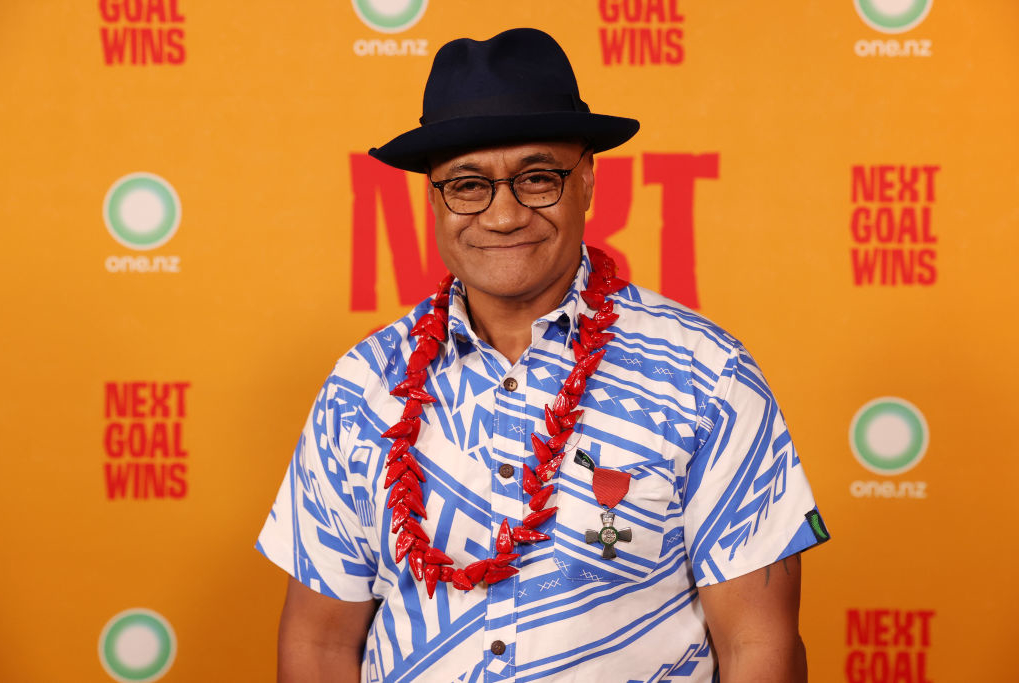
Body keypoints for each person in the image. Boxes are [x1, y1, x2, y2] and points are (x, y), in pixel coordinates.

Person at [257, 27, 829, 683]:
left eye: (537, 177)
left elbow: (760, 644)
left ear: (586, 180)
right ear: (435, 199)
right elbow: (321, 644)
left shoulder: (706, 376)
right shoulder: (362, 387)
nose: (503, 216)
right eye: (468, 184)